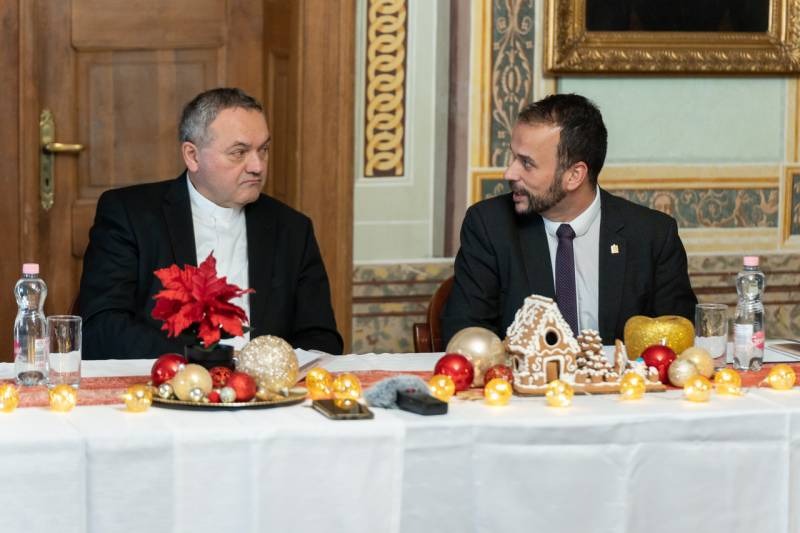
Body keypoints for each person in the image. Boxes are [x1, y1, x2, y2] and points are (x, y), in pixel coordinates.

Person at [78, 87, 343, 358]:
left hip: (265, 382)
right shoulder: (130, 215)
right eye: (239, 152)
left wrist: (263, 369)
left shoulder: (293, 229)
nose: (258, 166)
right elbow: (101, 327)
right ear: (192, 156)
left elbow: (321, 338)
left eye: (263, 150)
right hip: (164, 379)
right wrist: (205, 362)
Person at [441, 93, 696, 345]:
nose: (510, 173)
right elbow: (465, 335)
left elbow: (678, 340)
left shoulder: (652, 235)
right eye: (513, 157)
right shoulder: (489, 226)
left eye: (527, 163)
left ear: (574, 175)